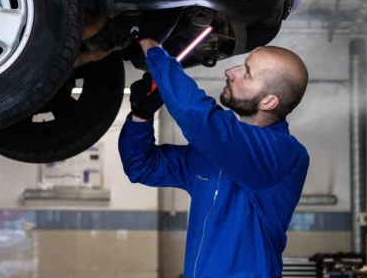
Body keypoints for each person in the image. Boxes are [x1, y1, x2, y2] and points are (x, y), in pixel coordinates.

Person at [118, 37, 310, 278]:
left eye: (247, 73)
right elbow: (143, 166)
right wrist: (141, 117)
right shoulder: (212, 155)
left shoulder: (284, 155)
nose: (230, 72)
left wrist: (156, 54)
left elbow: (200, 119)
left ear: (269, 101)